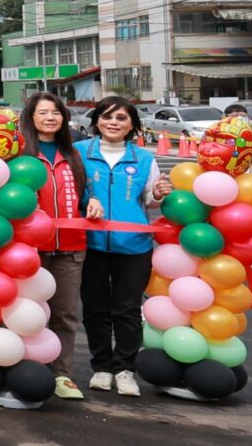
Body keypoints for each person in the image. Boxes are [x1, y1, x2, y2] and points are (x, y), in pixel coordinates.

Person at [76, 95, 169, 398]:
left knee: (127, 310)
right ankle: (102, 367)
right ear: (96, 121)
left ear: (132, 125)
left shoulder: (143, 159)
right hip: (90, 244)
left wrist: (157, 192)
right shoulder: (79, 153)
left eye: (121, 118)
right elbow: (69, 195)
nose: (113, 123)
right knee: (95, 308)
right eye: (107, 117)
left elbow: (152, 202)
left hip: (134, 246)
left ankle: (125, 369)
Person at [19, 92, 89, 400]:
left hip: (71, 248)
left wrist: (93, 202)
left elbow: (85, 194)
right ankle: (26, 367)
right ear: (30, 118)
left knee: (65, 314)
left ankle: (62, 374)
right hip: (30, 249)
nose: (50, 117)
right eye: (43, 112)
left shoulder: (73, 154)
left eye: (56, 112)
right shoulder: (20, 154)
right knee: (28, 312)